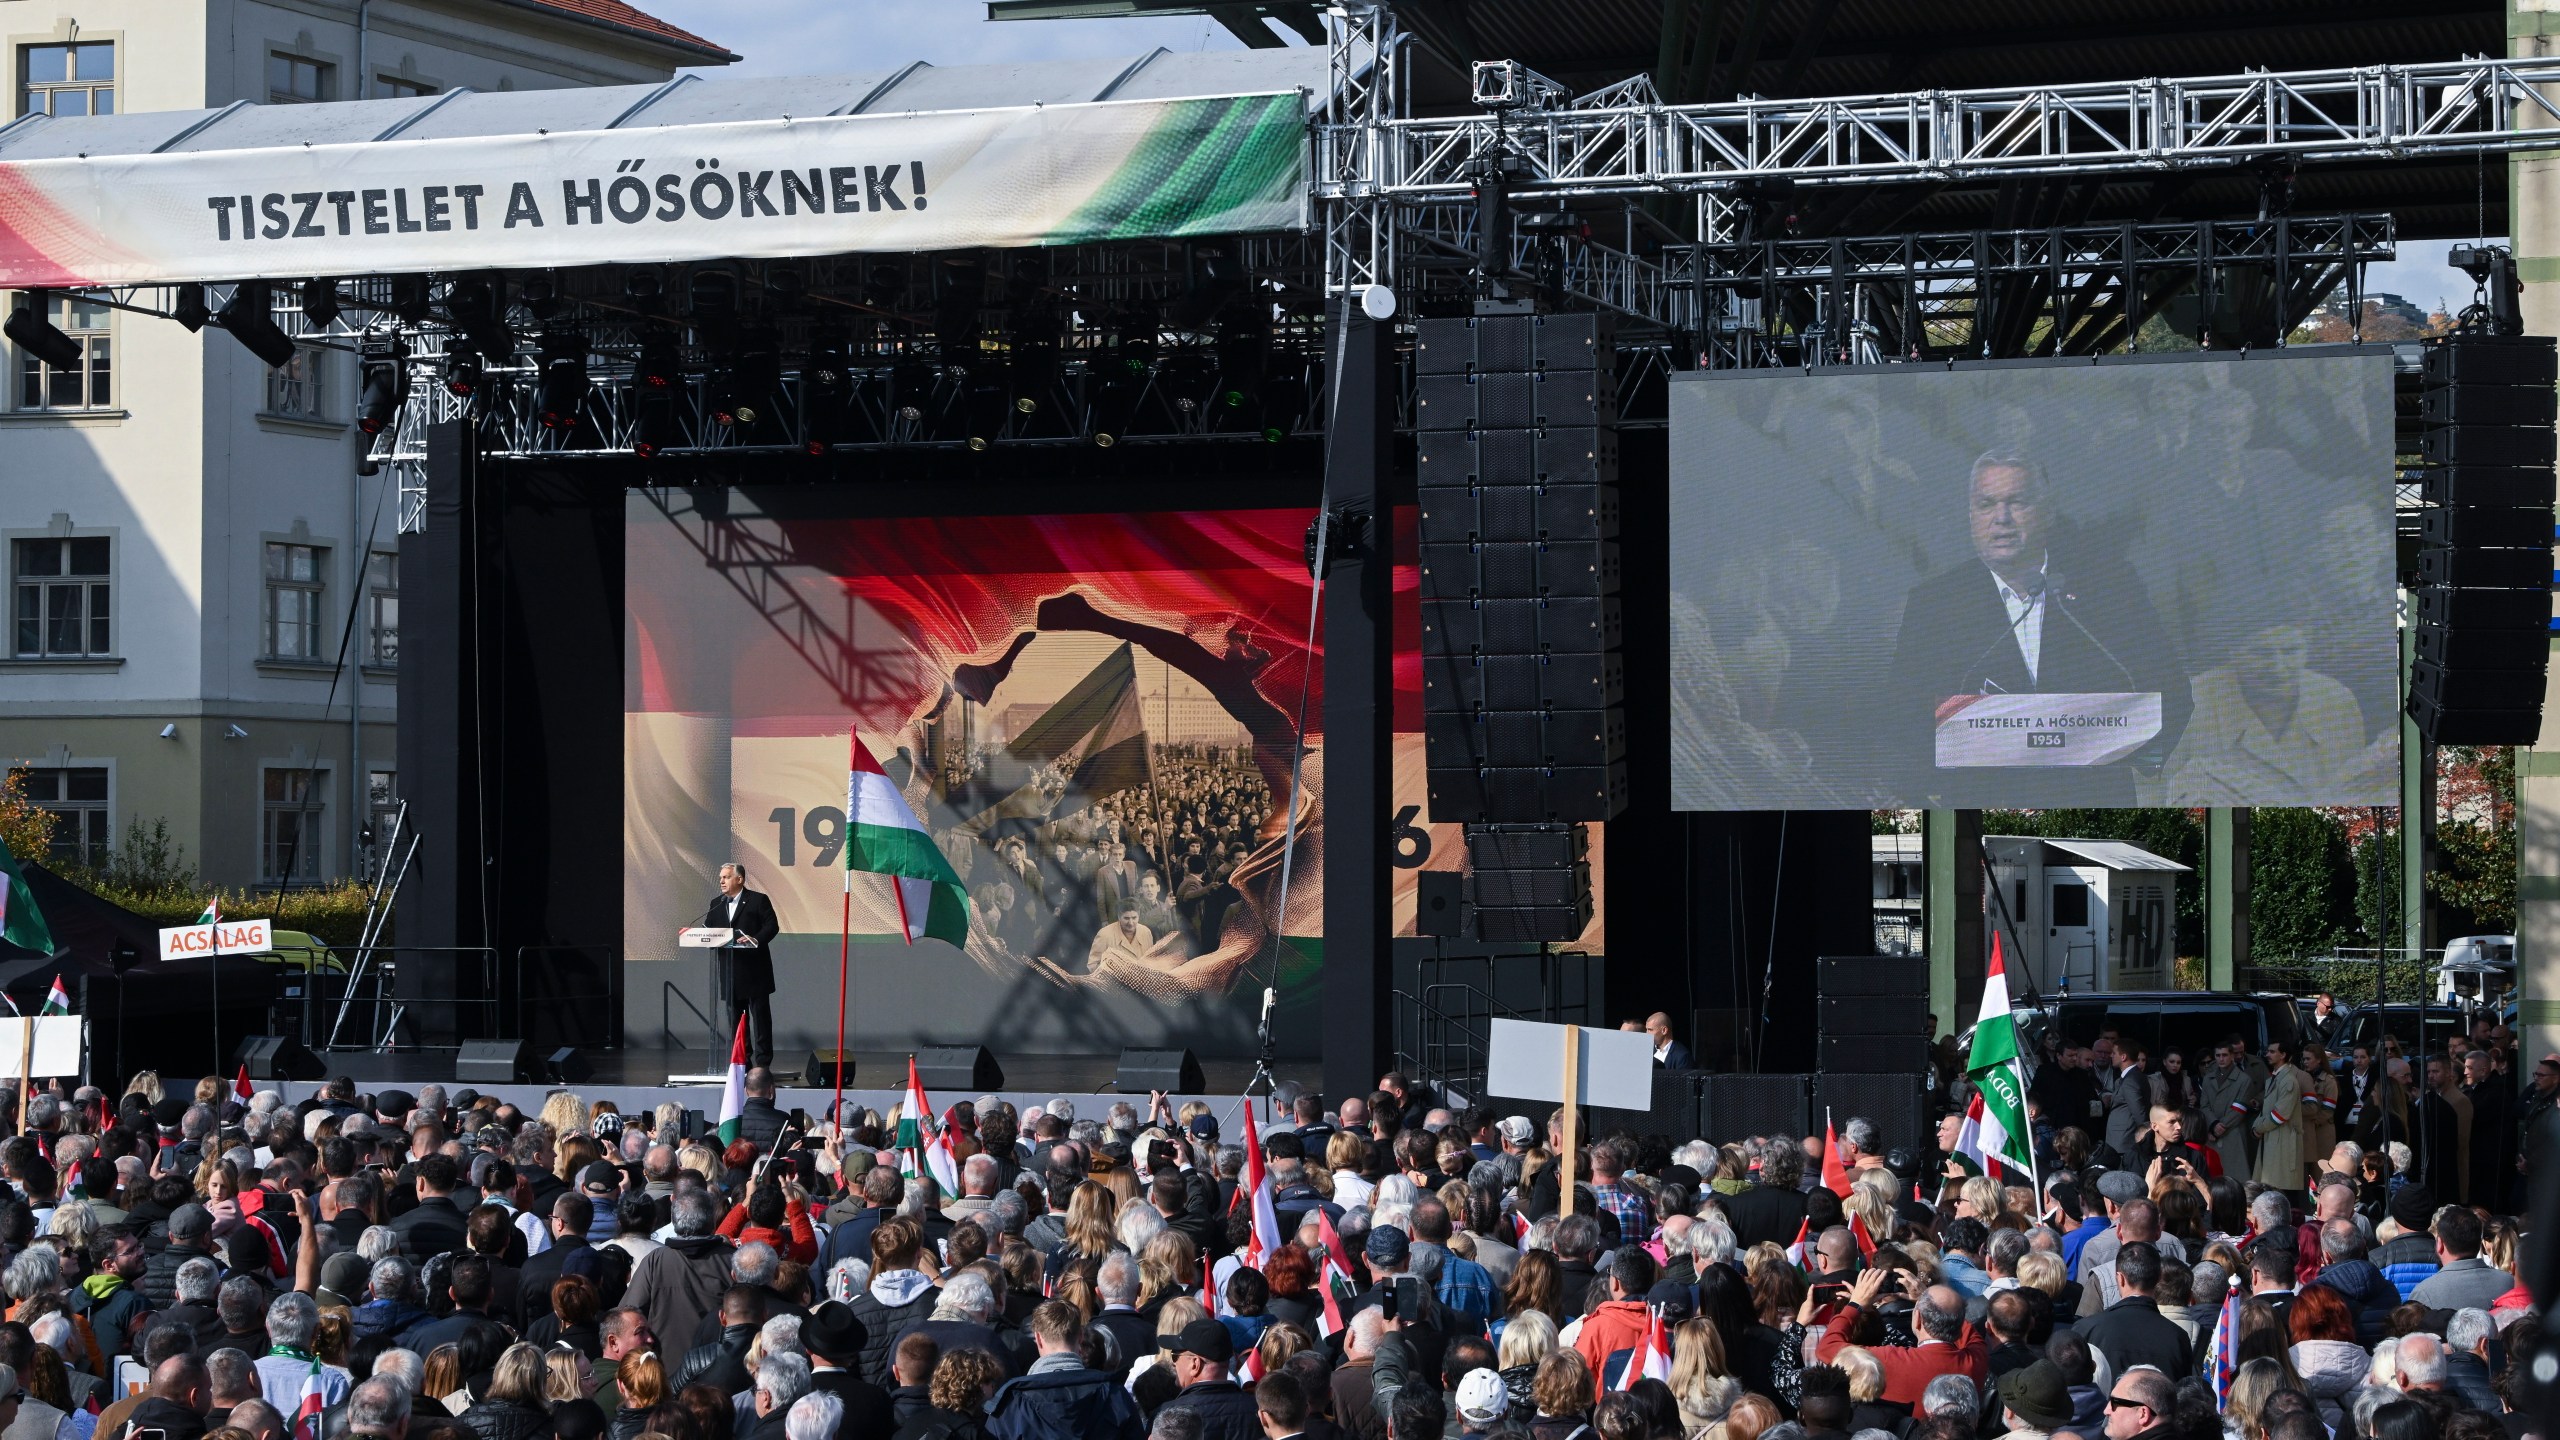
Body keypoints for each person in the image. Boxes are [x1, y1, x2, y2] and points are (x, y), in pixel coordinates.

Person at [1883, 452, 2183, 806]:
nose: (2001, 519)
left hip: (2092, 803)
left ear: (2048, 512)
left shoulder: (2110, 587)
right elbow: (1903, 713)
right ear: (1971, 516)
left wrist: (2133, 754)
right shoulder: (1934, 604)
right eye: (1986, 505)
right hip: (1981, 805)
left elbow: (2171, 690)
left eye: (2017, 503)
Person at [695, 861, 782, 1069]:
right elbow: (708, 930)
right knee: (736, 1022)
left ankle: (762, 1065)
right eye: (720, 878)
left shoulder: (758, 900)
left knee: (760, 1020)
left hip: (755, 972)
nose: (721, 881)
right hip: (730, 973)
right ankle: (743, 1063)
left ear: (739, 879)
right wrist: (701, 935)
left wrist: (755, 939)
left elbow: (772, 926)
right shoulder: (717, 903)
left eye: (725, 877)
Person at [1156, 1319, 1261, 1440]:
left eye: (1175, 1356)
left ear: (1195, 1364)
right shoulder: (1258, 1410)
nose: (1173, 1364)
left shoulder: (1167, 1418)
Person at [2251, 1041, 2307, 1199]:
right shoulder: (2275, 1079)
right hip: (2272, 1140)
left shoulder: (2288, 1081)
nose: (2267, 1055)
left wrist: (2258, 1128)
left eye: (2272, 1051)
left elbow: (2280, 1115)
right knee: (2271, 1188)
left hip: (2283, 1143)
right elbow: (2266, 1111)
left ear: (2283, 1055)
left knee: (2281, 1192)